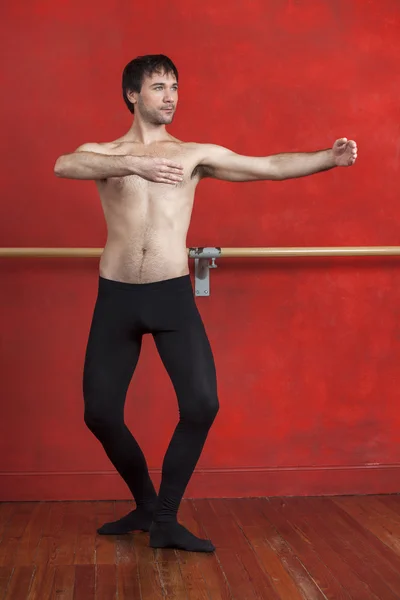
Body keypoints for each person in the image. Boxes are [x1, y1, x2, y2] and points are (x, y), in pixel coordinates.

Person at [54, 54, 358, 553]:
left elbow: (269, 168)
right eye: (158, 86)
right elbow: (64, 164)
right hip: (117, 298)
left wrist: (329, 157)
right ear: (133, 94)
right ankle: (146, 504)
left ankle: (166, 519)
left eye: (174, 86)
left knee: (201, 403)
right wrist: (135, 162)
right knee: (100, 413)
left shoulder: (193, 155)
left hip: (171, 294)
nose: (170, 95)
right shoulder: (104, 154)